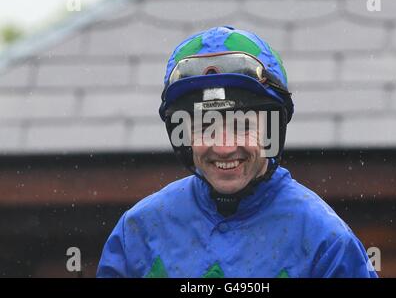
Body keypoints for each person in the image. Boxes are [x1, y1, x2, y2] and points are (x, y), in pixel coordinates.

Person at [96, 26, 378, 278]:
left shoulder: (325, 242)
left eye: (242, 125)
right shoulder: (138, 232)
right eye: (206, 127)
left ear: (273, 129)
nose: (225, 147)